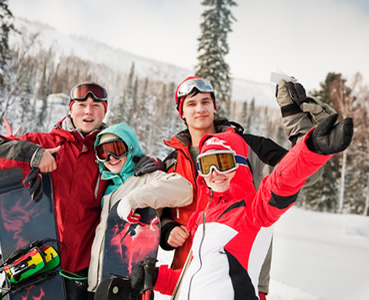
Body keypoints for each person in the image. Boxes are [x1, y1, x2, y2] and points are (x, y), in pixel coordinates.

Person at [131, 114, 353, 299]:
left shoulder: (254, 211)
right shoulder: (204, 218)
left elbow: (282, 181)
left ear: (240, 163)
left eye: (223, 162)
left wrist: (311, 149)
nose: (214, 173)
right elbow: (194, 278)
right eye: (207, 165)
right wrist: (156, 277)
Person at [159, 76, 333, 299]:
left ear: (215, 106)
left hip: (241, 278)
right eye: (191, 104)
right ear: (181, 113)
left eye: (205, 101)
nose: (200, 108)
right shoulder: (172, 162)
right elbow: (160, 212)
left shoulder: (248, 147)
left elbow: (302, 171)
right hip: (186, 278)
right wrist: (167, 228)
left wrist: (299, 122)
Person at [0, 81, 110, 300]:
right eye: (82, 104)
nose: (88, 111)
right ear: (70, 108)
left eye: (96, 106)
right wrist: (32, 154)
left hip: (82, 279)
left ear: (104, 111)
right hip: (36, 272)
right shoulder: (43, 142)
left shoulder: (111, 154)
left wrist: (148, 167)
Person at [87, 122, 193, 294]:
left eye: (116, 149)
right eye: (103, 153)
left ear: (130, 148)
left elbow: (184, 189)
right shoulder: (107, 190)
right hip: (97, 286)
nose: (111, 157)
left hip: (130, 287)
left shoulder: (147, 177)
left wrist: (134, 199)